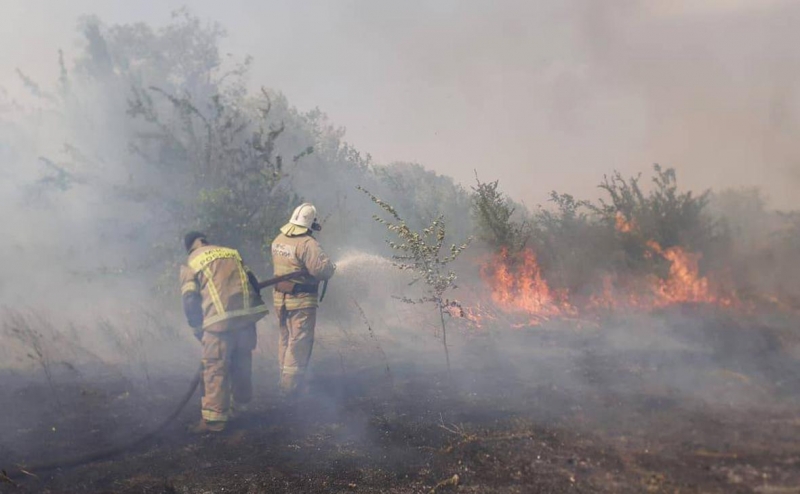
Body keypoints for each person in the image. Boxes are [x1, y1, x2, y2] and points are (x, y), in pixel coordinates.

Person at [180, 231, 269, 432]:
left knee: (214, 368)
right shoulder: (231, 253)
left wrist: (197, 329)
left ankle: (214, 420)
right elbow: (253, 281)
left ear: (190, 247)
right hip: (246, 319)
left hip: (218, 324)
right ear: (205, 240)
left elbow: (190, 299)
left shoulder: (191, 262)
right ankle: (242, 406)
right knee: (242, 362)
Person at [271, 203, 336, 397]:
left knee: (285, 339)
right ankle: (290, 388)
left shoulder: (279, 240)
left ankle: (283, 380)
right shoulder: (307, 243)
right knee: (298, 343)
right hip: (301, 301)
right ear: (310, 222)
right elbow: (322, 270)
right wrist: (331, 268)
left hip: (280, 300)